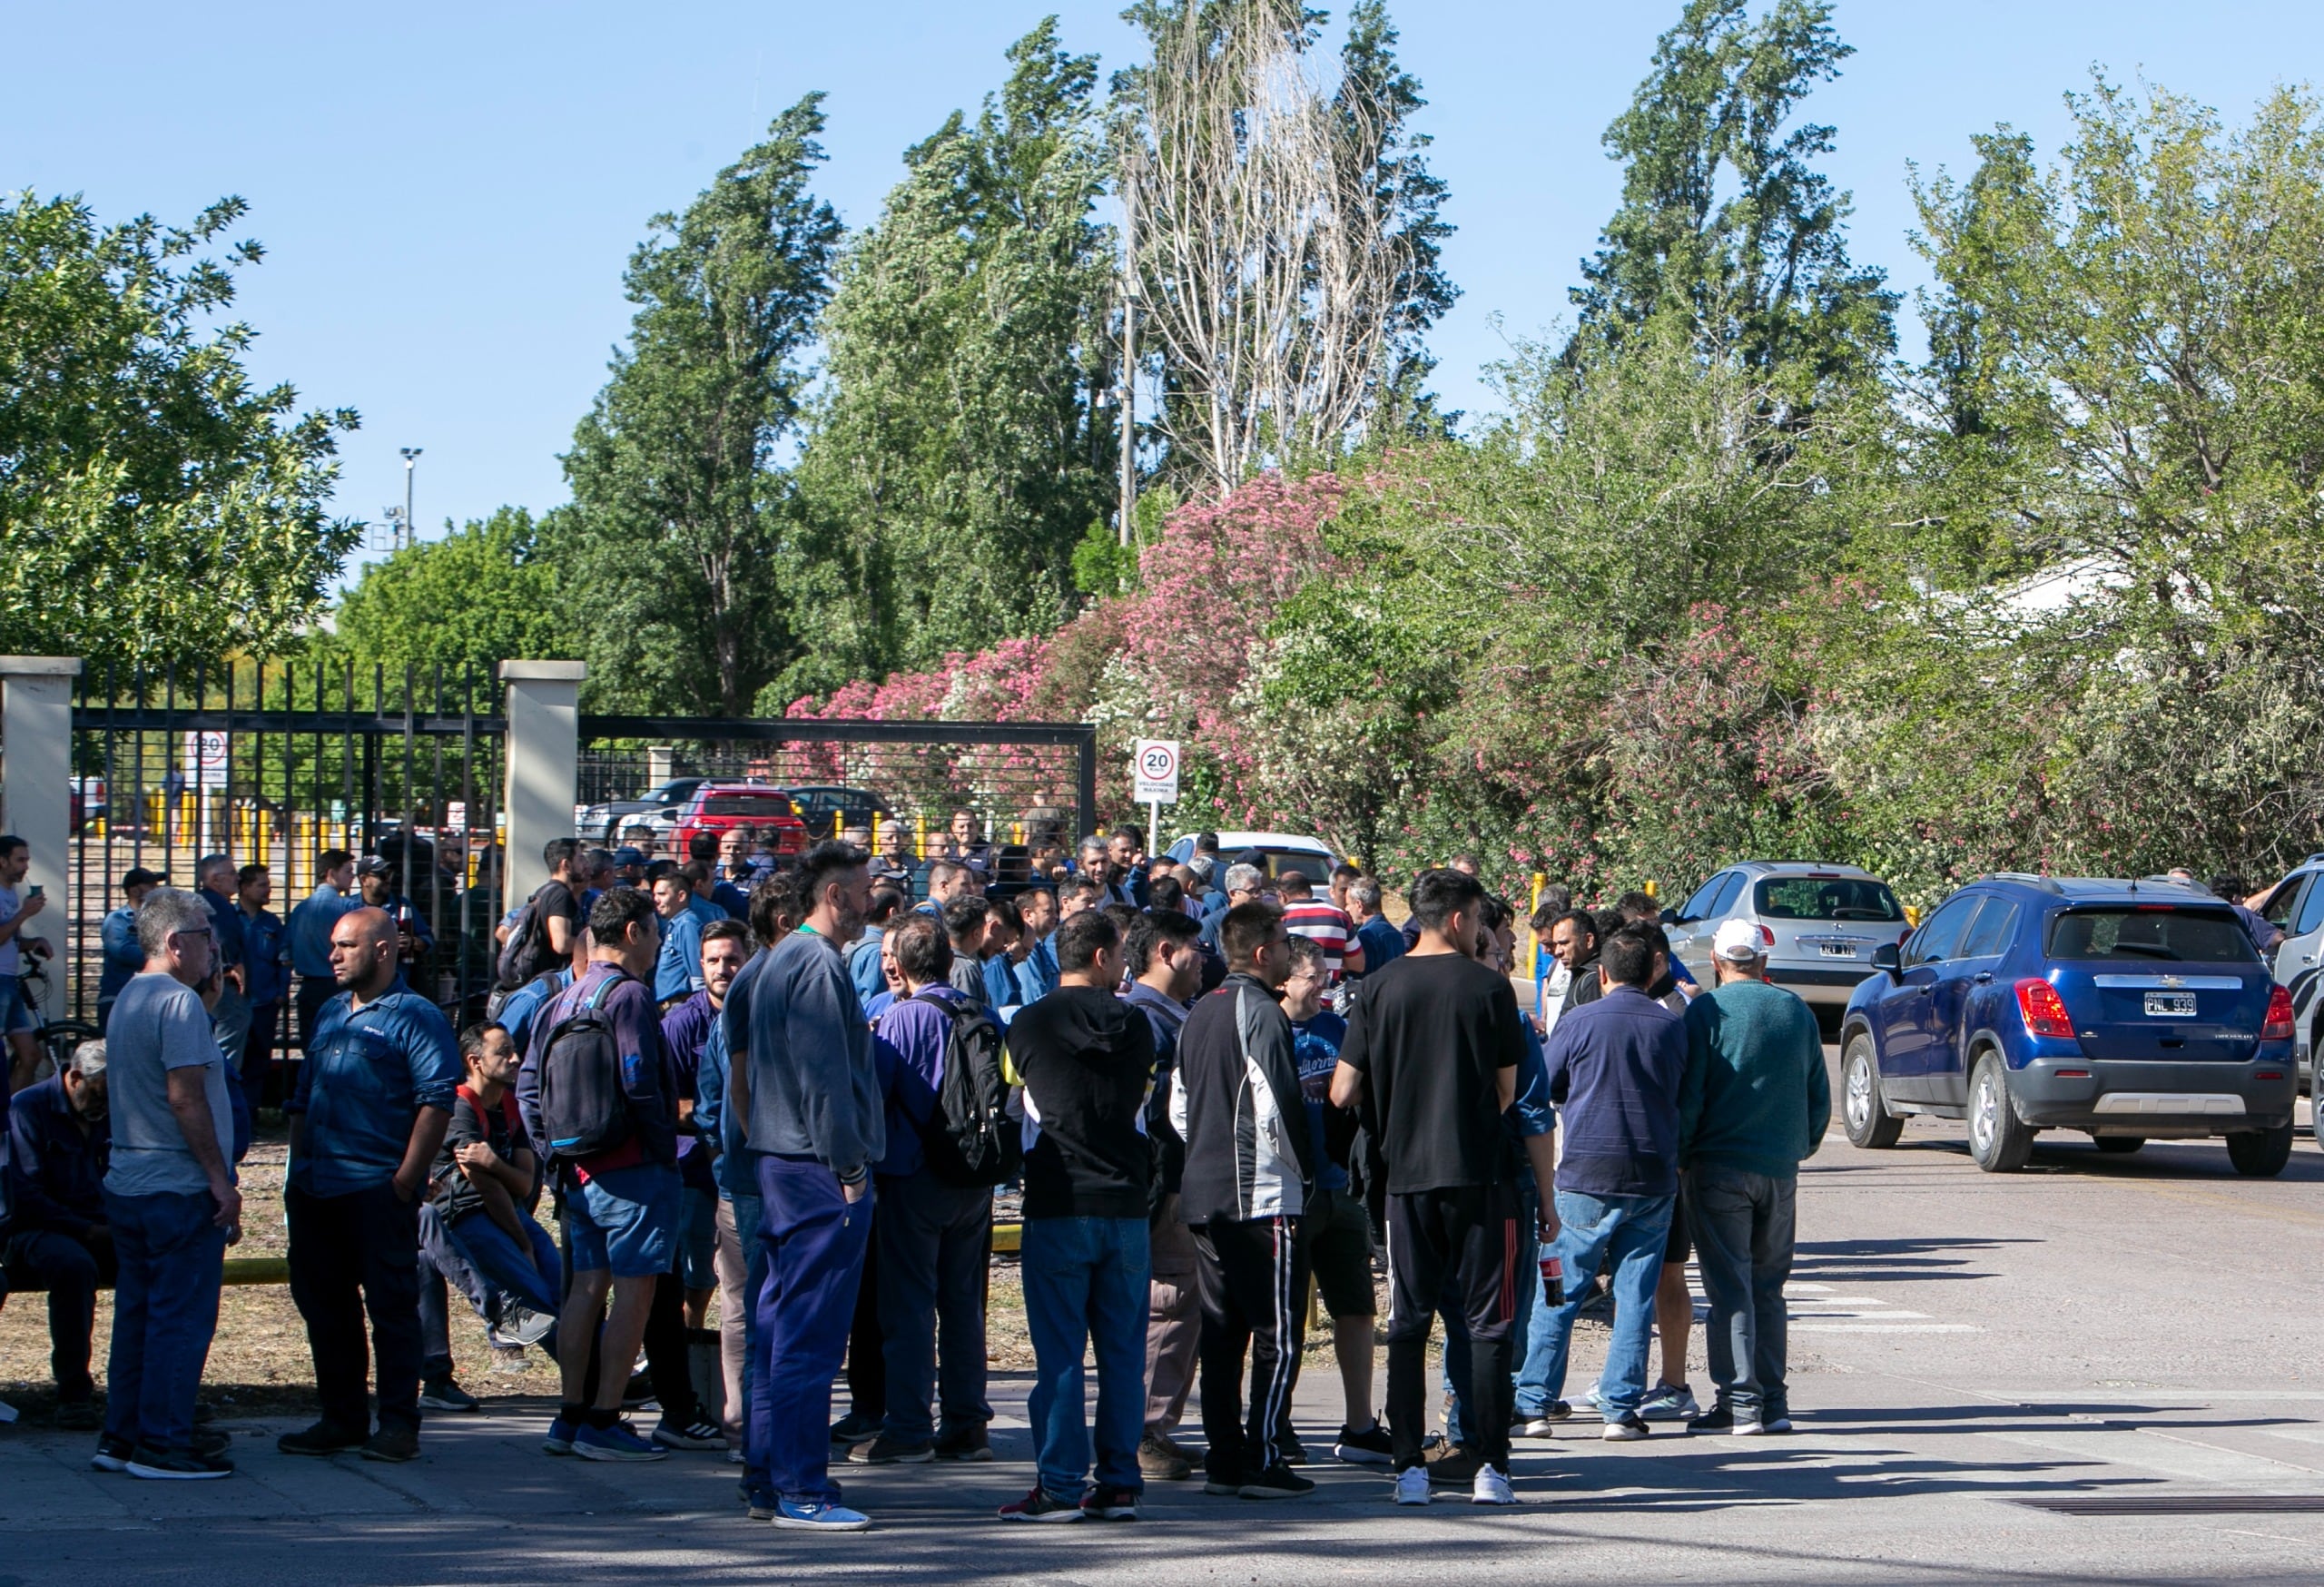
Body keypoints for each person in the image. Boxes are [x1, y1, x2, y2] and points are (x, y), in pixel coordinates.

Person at [1329, 867, 1538, 1507]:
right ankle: (1491, 1468)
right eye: (1478, 919)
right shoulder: (1490, 989)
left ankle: (1408, 1467)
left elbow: (1342, 1089)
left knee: (1409, 1324)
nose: (1481, 931)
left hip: (1406, 1180)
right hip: (1482, 1175)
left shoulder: (1380, 988)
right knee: (1488, 1326)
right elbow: (1508, 1091)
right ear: (1456, 918)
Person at [735, 841, 884, 1532]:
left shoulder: (772, 964)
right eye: (860, 889)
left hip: (780, 1161)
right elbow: (826, 1082)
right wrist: (850, 1169)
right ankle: (801, 1486)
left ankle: (769, 1475)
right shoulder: (818, 964)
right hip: (818, 1170)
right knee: (808, 1334)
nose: (870, 901)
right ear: (833, 895)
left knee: (775, 1327)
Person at [278, 907, 462, 1464]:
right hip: (317, 1187)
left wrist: (405, 1180)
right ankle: (343, 1416)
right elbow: (302, 1099)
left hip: (374, 1189)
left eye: (345, 946)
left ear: (382, 950)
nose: (332, 956)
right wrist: (295, 1173)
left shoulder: (416, 1016)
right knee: (325, 1306)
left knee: (391, 1308)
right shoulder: (331, 1012)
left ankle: (399, 1423)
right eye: (333, 946)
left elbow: (436, 1101)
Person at [998, 909, 1155, 1522]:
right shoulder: (1137, 1026)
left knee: (1059, 1353)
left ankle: (1060, 1484)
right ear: (1100, 957)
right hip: (1126, 1202)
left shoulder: (1027, 1024)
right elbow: (1145, 1095)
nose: (1124, 965)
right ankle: (1119, 1480)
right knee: (1121, 1352)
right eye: (1120, 954)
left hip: (1058, 1200)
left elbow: (1015, 1099)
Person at [533, 887, 691, 1463]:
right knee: (635, 1294)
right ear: (632, 933)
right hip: (633, 1173)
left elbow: (531, 1086)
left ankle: (570, 1415)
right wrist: (661, 1150)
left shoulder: (563, 997)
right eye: (655, 929)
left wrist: (555, 1156)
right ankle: (605, 1418)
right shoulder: (629, 997)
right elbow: (640, 1079)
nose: (660, 940)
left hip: (579, 1173)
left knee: (584, 1289)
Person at [1170, 902, 1315, 1501]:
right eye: (1284, 943)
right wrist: (1300, 1173)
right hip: (1259, 1193)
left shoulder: (1198, 1011)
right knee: (1278, 1330)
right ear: (1263, 953)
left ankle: (1226, 1457)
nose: (1289, 951)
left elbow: (1178, 1105)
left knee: (1223, 1329)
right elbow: (1277, 1101)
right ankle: (1263, 1455)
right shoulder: (1262, 1011)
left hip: (1204, 1193)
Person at [95, 887, 241, 1479]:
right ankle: (163, 1441)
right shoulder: (178, 1005)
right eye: (208, 938)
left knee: (138, 1315)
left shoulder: (130, 996)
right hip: (176, 1187)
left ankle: (122, 1436)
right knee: (180, 1319)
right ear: (177, 943)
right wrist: (219, 1179)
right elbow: (185, 1098)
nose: (215, 950)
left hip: (130, 1181)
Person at [1520, 925, 1687, 1443]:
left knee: (1559, 1291)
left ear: (1602, 972)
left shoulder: (1579, 1020)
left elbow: (1547, 1084)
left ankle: (1533, 1402)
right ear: (1652, 971)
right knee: (1635, 1296)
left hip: (1587, 1173)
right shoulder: (1670, 1026)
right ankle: (1620, 1408)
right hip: (1653, 1176)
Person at [1679, 918, 1829, 1435]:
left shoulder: (1706, 1012)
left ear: (1719, 963)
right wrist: (1801, 1145)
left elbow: (1691, 1095)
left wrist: (1681, 1152)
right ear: (1762, 962)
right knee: (1769, 1285)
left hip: (1718, 1165)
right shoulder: (1794, 1010)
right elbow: (1818, 1093)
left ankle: (1739, 1402)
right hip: (1779, 1169)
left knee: (1730, 1286)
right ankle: (1774, 1402)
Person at [861, 913, 995, 1464]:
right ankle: (967, 1425)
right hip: (973, 1177)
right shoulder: (979, 1014)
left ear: (903, 963)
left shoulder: (902, 1019)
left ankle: (910, 1426)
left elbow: (873, 1093)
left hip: (914, 1176)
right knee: (963, 1304)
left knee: (909, 1306)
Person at [1278, 934, 1391, 1465]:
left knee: (1356, 1308)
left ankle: (1360, 1424)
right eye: (1311, 975)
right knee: (1285, 1315)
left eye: (1326, 974)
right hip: (1289, 1193)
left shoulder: (1334, 1028)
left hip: (1339, 1187)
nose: (1324, 984)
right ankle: (1276, 1421)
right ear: (1283, 978)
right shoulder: (1269, 1029)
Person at [416, 1022, 563, 1412]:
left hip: (505, 1210)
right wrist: (521, 1239)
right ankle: (590, 1373)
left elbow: (524, 1180)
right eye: (504, 1052)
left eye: (514, 1049)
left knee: (560, 1281)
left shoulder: (510, 1105)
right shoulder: (460, 1107)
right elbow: (485, 1184)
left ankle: (600, 1364)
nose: (515, 1058)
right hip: (466, 1215)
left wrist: (495, 1161)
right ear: (475, 1062)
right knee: (529, 1290)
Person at [700, 876, 799, 1451]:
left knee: (758, 1304)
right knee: (756, 1304)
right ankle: (751, 1425)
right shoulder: (758, 993)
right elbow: (723, 1096)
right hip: (754, 1178)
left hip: (755, 1174)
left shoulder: (758, 988)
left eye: (727, 957)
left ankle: (756, 1425)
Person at [1120, 907, 1202, 1481]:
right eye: (1196, 949)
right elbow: (1150, 1115)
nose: (1206, 960)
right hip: (1162, 1184)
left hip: (1164, 1183)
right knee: (1168, 1304)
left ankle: (1151, 1426)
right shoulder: (1149, 1023)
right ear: (1166, 952)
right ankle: (1143, 1429)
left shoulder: (1166, 1016)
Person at [5, 1040, 113, 1428]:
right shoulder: (28, 1109)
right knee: (72, 1267)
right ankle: (73, 1393)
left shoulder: (109, 1113)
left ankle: (148, 1388)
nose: (103, 1108)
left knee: (158, 1259)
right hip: (40, 1228)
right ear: (74, 1077)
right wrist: (87, 1229)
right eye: (98, 1095)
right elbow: (26, 1196)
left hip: (98, 1225)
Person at [660, 920, 753, 1339]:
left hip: (747, 1167)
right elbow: (664, 1101)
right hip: (694, 1169)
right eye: (713, 960)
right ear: (700, 964)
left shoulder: (757, 1017)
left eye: (731, 959)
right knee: (696, 1266)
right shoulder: (681, 1024)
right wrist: (718, 1111)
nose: (722, 968)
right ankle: (691, 1333)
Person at [287, 849, 358, 1054]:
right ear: (331, 873)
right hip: (339, 988)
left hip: (308, 988)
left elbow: (285, 952)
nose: (352, 876)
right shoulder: (349, 908)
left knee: (311, 1051)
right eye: (348, 871)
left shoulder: (300, 909)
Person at [0, 835, 54, 1089]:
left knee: (31, 1055)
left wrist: (35, 943)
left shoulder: (11, 894)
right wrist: (24, 914)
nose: (25, 867)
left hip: (9, 980)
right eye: (20, 860)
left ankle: (10, 1119)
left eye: (27, 860)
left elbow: (11, 940)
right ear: (2, 861)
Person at [234, 864, 290, 1103]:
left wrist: (280, 992)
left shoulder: (272, 923)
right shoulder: (229, 919)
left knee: (259, 1061)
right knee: (232, 1060)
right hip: (235, 1004)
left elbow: (284, 961)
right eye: (262, 885)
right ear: (245, 888)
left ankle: (251, 1115)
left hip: (265, 1003)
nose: (268, 890)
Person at [501, 839, 586, 991]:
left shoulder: (544, 892)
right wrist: (593, 944)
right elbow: (561, 943)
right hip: (548, 982)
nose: (584, 864)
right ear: (566, 864)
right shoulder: (561, 895)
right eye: (580, 858)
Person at [97, 868, 166, 1033]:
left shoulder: (160, 920)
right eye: (150, 885)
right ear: (134, 890)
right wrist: (161, 956)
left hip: (151, 998)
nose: (156, 889)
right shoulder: (117, 919)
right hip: (118, 996)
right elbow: (123, 950)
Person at [1278, 870, 1365, 981]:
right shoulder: (1339, 916)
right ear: (1310, 891)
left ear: (1282, 896)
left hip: (1293, 994)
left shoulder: (1279, 918)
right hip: (1329, 994)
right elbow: (1358, 965)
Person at [354, 856, 435, 971]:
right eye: (382, 876)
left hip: (397, 978)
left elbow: (428, 940)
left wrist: (411, 942)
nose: (388, 879)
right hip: (363, 976)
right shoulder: (351, 908)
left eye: (390, 874)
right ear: (364, 880)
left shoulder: (402, 905)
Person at [650, 862, 708, 1005]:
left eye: (662, 894)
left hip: (678, 1003)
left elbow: (697, 974)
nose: (656, 900)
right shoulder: (675, 923)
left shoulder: (687, 924)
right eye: (655, 894)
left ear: (681, 896)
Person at [848, 886, 907, 1005]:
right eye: (903, 910)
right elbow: (872, 1004)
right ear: (893, 913)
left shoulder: (854, 941)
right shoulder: (877, 952)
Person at [1197, 864, 1265, 953]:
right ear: (1233, 894)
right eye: (1252, 891)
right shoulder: (1211, 925)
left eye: (1259, 890)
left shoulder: (1266, 920)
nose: (1258, 895)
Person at [942, 897, 996, 1007]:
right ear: (977, 933)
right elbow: (970, 1018)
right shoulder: (965, 970)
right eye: (984, 927)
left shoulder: (935, 959)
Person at [1347, 878, 1403, 980]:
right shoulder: (1397, 935)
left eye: (1348, 904)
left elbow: (1359, 981)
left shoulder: (1365, 936)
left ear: (1359, 905)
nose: (1347, 909)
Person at [1017, 884, 1060, 1002]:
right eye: (1048, 911)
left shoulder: (1041, 947)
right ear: (1028, 914)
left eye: (1056, 911)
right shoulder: (1025, 950)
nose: (1055, 916)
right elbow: (1033, 996)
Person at [981, 896, 1026, 1011]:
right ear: (993, 927)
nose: (1004, 949)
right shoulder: (996, 964)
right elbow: (1004, 1012)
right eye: (1005, 941)